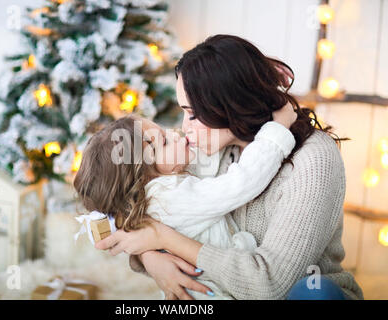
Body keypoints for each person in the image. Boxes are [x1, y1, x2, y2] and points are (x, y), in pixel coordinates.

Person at [94, 34, 364, 300]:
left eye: (194, 114)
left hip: (297, 294)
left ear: (230, 104)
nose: (184, 128)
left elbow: (269, 286)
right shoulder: (208, 143)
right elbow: (147, 199)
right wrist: (150, 257)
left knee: (315, 294)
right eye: (183, 112)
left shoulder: (313, 160)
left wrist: (166, 240)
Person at [74, 102, 297, 299]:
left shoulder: (157, 189)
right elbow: (240, 184)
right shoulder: (169, 195)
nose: (176, 134)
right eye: (164, 142)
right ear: (143, 177)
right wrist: (275, 134)